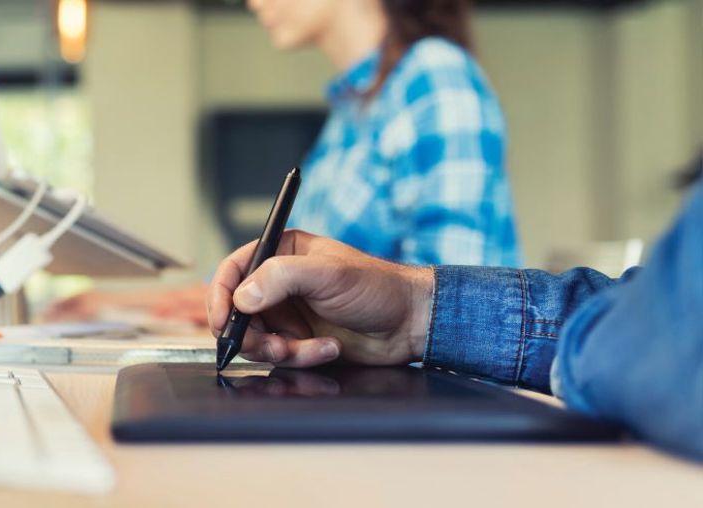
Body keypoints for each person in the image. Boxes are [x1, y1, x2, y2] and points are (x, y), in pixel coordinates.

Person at [45, 0, 520, 325]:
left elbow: (459, 305)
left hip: (430, 424)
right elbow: (270, 277)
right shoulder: (351, 115)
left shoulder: (433, 76)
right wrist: (120, 304)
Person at [204, 176, 703, 460]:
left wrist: (620, 333)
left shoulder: (434, 81)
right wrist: (414, 309)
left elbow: (662, 344)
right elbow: (645, 321)